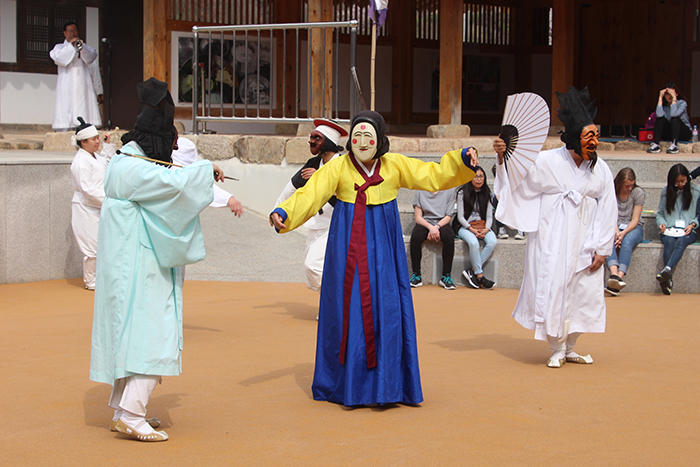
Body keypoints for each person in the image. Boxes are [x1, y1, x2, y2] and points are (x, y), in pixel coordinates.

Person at [270, 110, 478, 406]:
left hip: (383, 250)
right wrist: (284, 213)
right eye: (357, 135)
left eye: (369, 136)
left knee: (386, 307)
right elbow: (311, 194)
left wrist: (460, 160)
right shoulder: (339, 167)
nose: (362, 141)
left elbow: (431, 176)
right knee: (347, 307)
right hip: (347, 249)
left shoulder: (393, 165)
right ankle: (346, 384)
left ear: (380, 140)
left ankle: (388, 385)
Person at [89, 78, 225, 442]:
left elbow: (165, 178)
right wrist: (205, 168)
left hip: (128, 263)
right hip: (140, 264)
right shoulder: (136, 170)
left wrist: (195, 173)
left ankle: (124, 409)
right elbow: (177, 187)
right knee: (153, 329)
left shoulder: (126, 163)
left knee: (132, 334)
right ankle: (133, 412)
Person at [493, 87, 617, 369]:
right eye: (589, 136)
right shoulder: (547, 161)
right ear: (573, 138)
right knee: (553, 288)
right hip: (552, 238)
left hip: (585, 240)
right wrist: (504, 157)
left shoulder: (601, 170)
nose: (595, 142)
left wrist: (602, 248)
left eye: (596, 135)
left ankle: (570, 345)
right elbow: (518, 183)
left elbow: (608, 207)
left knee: (583, 292)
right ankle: (556, 347)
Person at [275, 119, 348, 296]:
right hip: (316, 227)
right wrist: (277, 211)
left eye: (317, 138)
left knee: (313, 265)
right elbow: (291, 188)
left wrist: (321, 178)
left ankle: (340, 304)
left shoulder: (344, 165)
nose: (311, 141)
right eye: (311, 137)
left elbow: (350, 191)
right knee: (321, 269)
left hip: (337, 227)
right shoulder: (313, 163)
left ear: (329, 142)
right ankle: (331, 310)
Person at [69, 117, 115, 290]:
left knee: (102, 244)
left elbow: (106, 162)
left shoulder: (94, 156)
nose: (97, 141)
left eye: (97, 138)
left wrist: (107, 145)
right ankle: (90, 281)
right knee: (92, 247)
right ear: (83, 142)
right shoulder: (80, 162)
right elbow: (86, 188)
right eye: (94, 139)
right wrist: (108, 199)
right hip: (85, 206)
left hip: (98, 205)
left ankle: (99, 278)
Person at [655, 163, 699, 295]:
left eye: (683, 181)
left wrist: (693, 224)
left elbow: (698, 215)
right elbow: (660, 213)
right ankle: (667, 278)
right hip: (669, 228)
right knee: (668, 242)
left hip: (688, 229)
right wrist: (661, 223)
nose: (680, 184)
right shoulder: (666, 191)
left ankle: (667, 270)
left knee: (681, 242)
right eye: (677, 182)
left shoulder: (696, 192)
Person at [50, 22, 104, 130]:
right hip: (66, 86)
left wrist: (81, 48)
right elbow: (60, 58)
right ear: (65, 33)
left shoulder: (84, 47)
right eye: (70, 31)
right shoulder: (59, 48)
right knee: (66, 109)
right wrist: (71, 47)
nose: (73, 34)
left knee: (83, 109)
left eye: (75, 31)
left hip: (82, 87)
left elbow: (92, 58)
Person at [172, 136, 244, 216]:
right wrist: (204, 169)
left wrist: (229, 199)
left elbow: (197, 182)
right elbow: (196, 183)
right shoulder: (170, 172)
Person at [605, 168, 645, 296]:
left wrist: (623, 233)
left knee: (627, 241)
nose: (629, 188)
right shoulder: (611, 191)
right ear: (620, 183)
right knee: (608, 239)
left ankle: (619, 277)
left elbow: (635, 219)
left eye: (631, 185)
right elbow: (610, 215)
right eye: (627, 185)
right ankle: (614, 274)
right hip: (614, 225)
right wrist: (617, 231)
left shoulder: (638, 193)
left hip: (633, 227)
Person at [455, 166, 497, 289]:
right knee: (473, 243)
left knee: (492, 241)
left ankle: (472, 270)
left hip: (483, 226)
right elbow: (460, 217)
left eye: (481, 176)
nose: (479, 179)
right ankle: (479, 275)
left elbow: (490, 216)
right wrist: (471, 229)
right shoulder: (462, 192)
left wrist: (486, 229)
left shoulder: (487, 194)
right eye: (475, 176)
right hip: (466, 227)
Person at [409, 188, 457, 290]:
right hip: (425, 222)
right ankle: (416, 275)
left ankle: (446, 276)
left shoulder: (450, 190)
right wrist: (431, 228)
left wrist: (436, 227)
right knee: (416, 236)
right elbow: (418, 218)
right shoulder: (420, 189)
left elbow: (448, 216)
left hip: (442, 222)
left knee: (449, 237)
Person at [647, 83, 692, 154]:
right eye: (667, 94)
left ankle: (674, 145)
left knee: (675, 119)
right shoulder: (665, 107)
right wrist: (660, 98)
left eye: (671, 93)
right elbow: (658, 115)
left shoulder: (682, 103)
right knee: (660, 118)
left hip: (683, 133)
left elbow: (674, 114)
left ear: (676, 94)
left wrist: (674, 98)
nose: (669, 96)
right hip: (670, 133)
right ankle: (656, 144)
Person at [492, 165, 525, 240]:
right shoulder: (498, 187)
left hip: (514, 202)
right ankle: (500, 228)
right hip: (502, 202)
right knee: (496, 198)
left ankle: (520, 228)